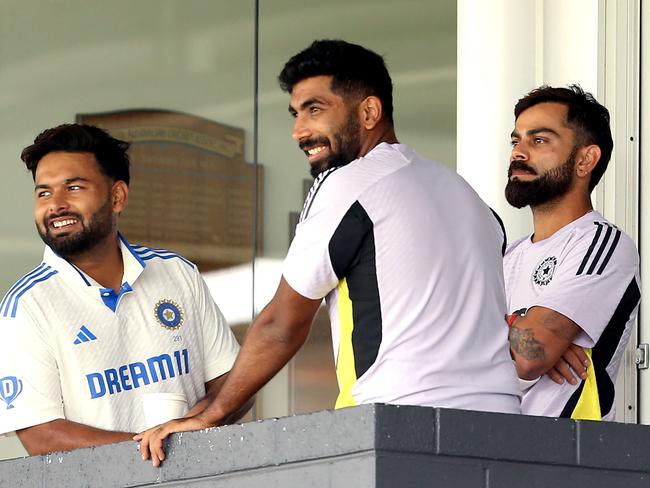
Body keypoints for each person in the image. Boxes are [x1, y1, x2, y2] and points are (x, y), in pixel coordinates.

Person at [136, 39, 520, 466]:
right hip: (503, 430)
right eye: (296, 114)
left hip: (400, 429)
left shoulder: (350, 182)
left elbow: (283, 323)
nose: (300, 131)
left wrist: (211, 415)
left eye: (315, 109)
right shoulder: (470, 198)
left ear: (369, 112)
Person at [0, 124, 249, 455]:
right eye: (43, 192)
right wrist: (158, 448)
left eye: (73, 187)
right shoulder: (26, 306)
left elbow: (234, 387)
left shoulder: (176, 272)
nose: (56, 204)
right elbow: (42, 437)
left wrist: (185, 435)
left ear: (117, 196)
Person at [504, 85, 640, 420]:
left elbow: (530, 355)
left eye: (539, 140)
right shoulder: (505, 256)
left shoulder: (601, 244)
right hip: (488, 451)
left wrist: (501, 334)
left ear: (585, 160)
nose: (518, 153)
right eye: (516, 140)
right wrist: (514, 326)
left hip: (562, 457)